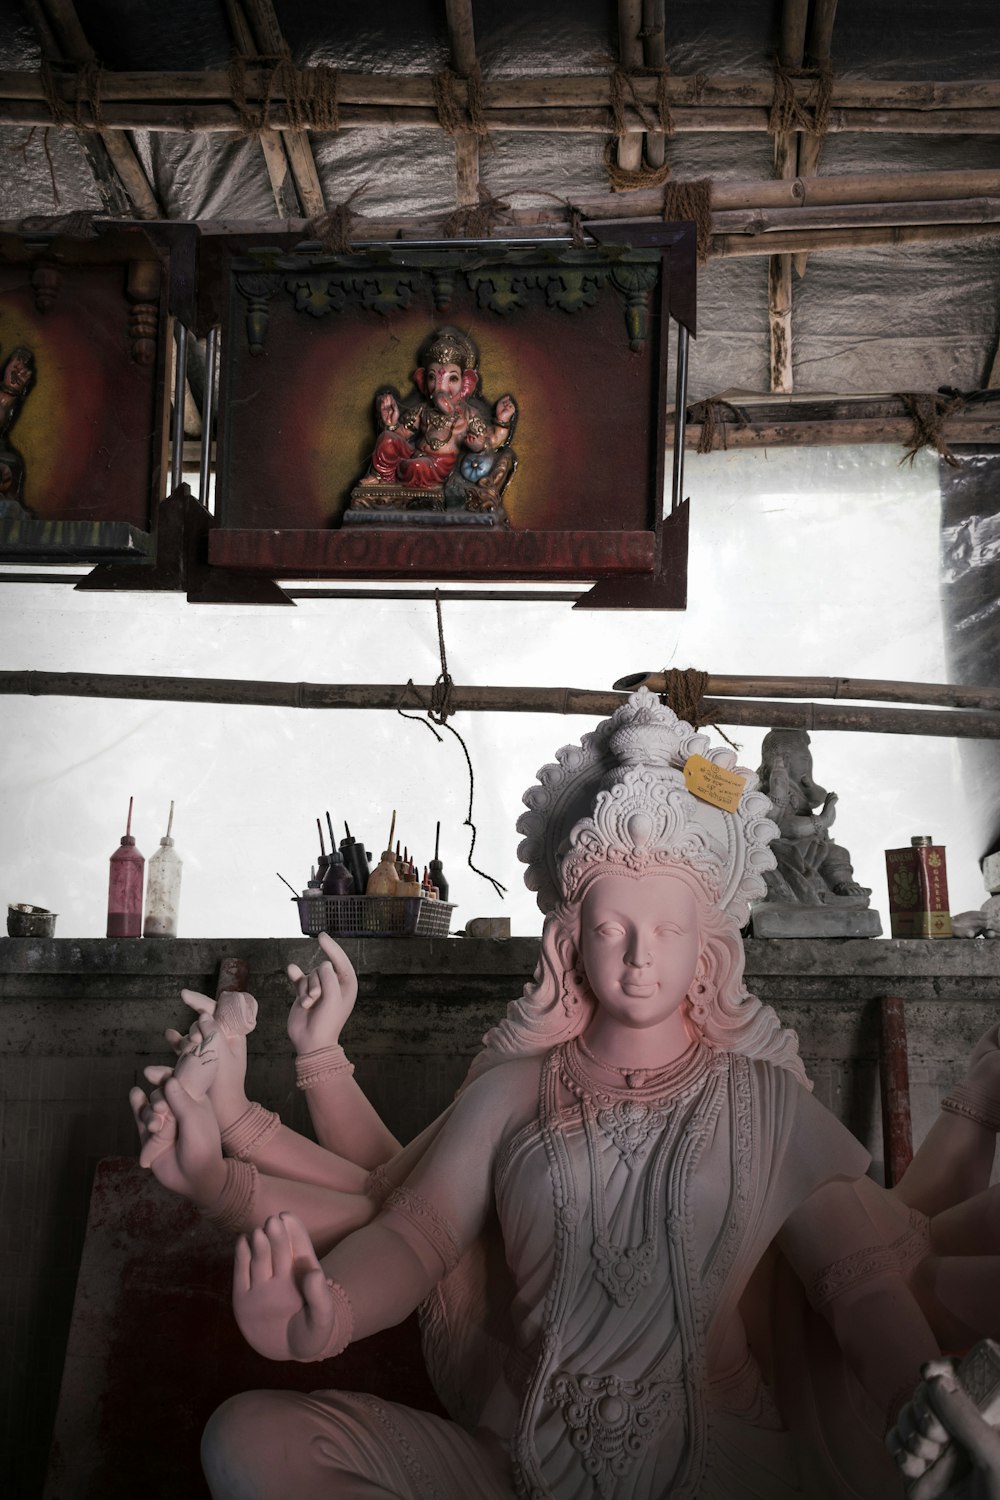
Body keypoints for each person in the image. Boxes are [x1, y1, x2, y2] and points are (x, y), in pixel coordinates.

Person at [130, 691, 1000, 1499]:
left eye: (665, 930)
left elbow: (861, 1288)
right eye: (613, 928)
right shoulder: (513, 1091)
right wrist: (327, 1317)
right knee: (248, 1439)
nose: (637, 955)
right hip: (519, 1463)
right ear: (569, 939)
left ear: (708, 947)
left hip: (713, 1466)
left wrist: (915, 1400)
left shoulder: (763, 1103)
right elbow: (414, 1237)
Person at [353, 326, 516, 499]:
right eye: (432, 378)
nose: (441, 387)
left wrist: (500, 422)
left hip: (437, 466)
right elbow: (401, 435)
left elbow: (492, 440)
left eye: (452, 379)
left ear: (465, 383)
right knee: (386, 439)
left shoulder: (467, 414)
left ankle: (400, 481)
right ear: (423, 381)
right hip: (414, 454)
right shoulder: (423, 409)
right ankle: (382, 478)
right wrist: (390, 423)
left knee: (417, 466)